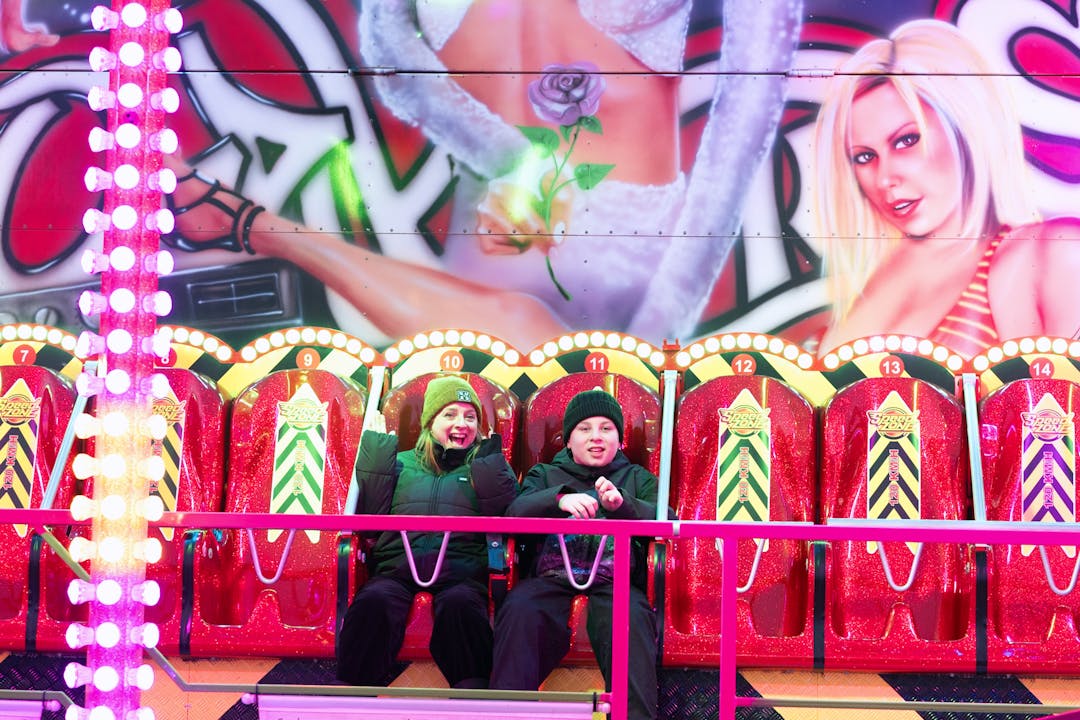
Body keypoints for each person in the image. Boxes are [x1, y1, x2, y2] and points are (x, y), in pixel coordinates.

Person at [160, 0, 800, 349]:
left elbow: (748, 118)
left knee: (529, 341)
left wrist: (666, 324)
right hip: (494, 217)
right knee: (483, 381)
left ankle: (256, 227)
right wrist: (517, 164)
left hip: (634, 239)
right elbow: (393, 61)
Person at [813, 19, 1080, 358]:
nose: (884, 179)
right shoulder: (869, 282)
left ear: (965, 126)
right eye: (864, 157)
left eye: (906, 140)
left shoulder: (1049, 253)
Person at [336, 375, 517, 688]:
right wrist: (376, 459)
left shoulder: (483, 468)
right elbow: (370, 521)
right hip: (397, 570)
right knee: (375, 601)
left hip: (459, 572)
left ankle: (473, 693)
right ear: (430, 422)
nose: (461, 423)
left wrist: (490, 465)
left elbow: (507, 514)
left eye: (470, 417)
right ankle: (354, 691)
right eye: (450, 414)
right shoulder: (400, 464)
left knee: (461, 605)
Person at [490, 389, 661, 720]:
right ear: (568, 440)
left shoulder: (637, 477)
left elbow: (664, 517)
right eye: (584, 428)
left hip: (613, 581)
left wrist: (622, 505)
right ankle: (508, 714)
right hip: (551, 578)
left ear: (620, 439)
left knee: (630, 617)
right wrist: (558, 499)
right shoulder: (544, 474)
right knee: (520, 608)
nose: (596, 437)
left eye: (606, 428)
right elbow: (515, 511)